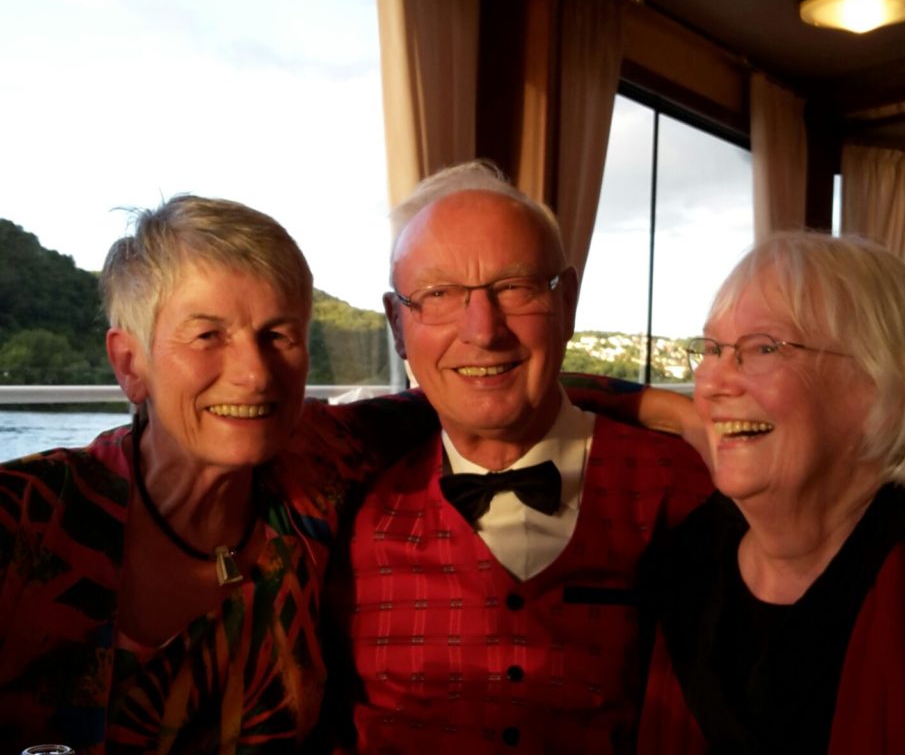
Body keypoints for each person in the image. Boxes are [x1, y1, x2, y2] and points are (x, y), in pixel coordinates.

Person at [0, 195, 442, 753]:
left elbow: (458, 395)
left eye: (278, 336)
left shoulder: (317, 460)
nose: (255, 374)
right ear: (130, 364)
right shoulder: (24, 521)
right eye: (208, 335)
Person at [322, 160, 713, 753]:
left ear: (568, 302)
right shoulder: (347, 517)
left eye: (515, 287)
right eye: (439, 294)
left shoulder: (688, 489)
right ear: (397, 326)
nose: (483, 331)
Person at [641, 231, 905, 753]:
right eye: (712, 350)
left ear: (882, 388)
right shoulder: (677, 562)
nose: (709, 385)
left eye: (763, 348)